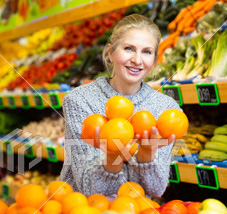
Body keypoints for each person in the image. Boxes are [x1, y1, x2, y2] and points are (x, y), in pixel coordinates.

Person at [59, 14, 182, 198]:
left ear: (155, 59)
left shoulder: (166, 110)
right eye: (129, 49)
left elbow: (156, 190)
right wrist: (113, 156)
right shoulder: (79, 100)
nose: (137, 60)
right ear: (110, 52)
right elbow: (89, 189)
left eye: (147, 52)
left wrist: (146, 156)